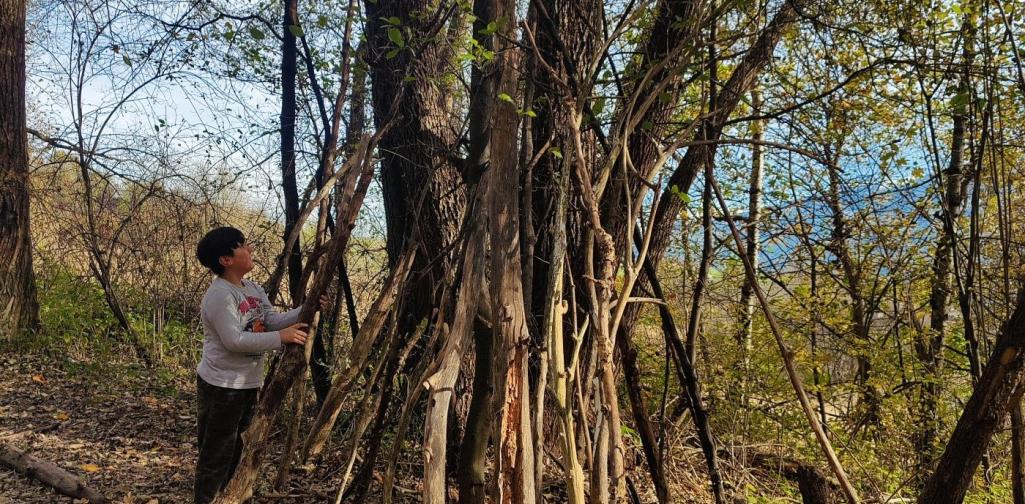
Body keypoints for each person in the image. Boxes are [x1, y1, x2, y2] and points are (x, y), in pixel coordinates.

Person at [192, 226, 319, 503]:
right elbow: (233, 340)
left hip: (248, 383)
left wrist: (307, 306)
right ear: (226, 260)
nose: (250, 250)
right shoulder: (220, 296)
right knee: (216, 454)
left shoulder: (252, 288)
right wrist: (281, 339)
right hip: (221, 387)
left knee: (240, 448)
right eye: (243, 246)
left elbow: (270, 321)